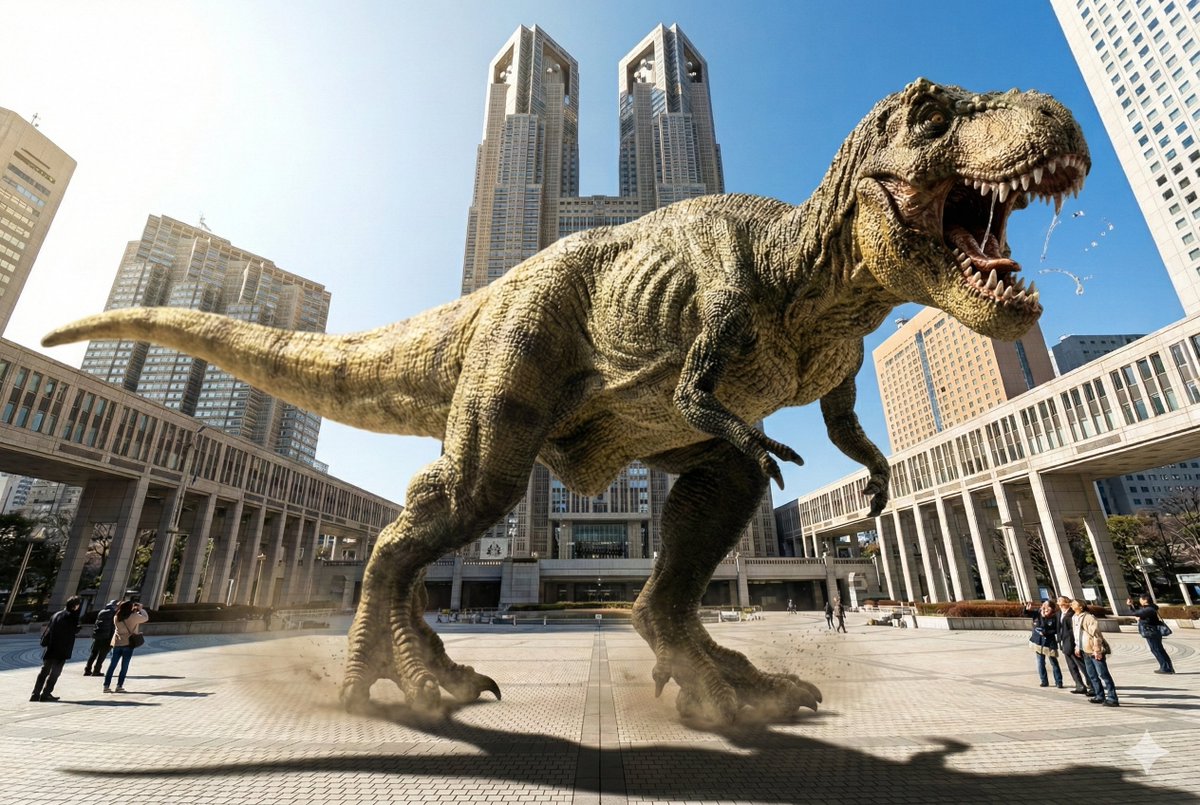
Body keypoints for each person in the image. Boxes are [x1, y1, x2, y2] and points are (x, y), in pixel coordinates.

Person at [30, 595, 82, 702]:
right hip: (61, 649)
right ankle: (46, 693)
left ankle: (35, 693)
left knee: (44, 671)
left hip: (50, 647)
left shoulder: (56, 615)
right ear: (75, 606)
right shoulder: (71, 616)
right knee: (55, 672)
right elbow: (71, 631)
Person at [1070, 597, 1118, 707]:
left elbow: (1096, 635)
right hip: (1084, 649)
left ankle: (1112, 698)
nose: (1071, 604)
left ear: (1081, 606)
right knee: (1092, 675)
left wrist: (1097, 650)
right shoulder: (1074, 617)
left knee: (1103, 674)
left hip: (1093, 650)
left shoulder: (1088, 617)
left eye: (1074, 603)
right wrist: (1077, 647)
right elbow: (1076, 634)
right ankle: (1099, 695)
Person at [103, 599, 149, 693]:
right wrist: (140, 609)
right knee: (124, 666)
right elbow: (145, 618)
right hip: (128, 643)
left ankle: (106, 686)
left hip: (117, 643)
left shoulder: (116, 616)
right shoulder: (133, 616)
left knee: (112, 665)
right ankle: (119, 686)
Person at [1127, 594, 1175, 674]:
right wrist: (1132, 606)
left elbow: (1135, 613)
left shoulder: (1149, 609)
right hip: (1152, 631)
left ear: (1145, 600)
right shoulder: (1150, 608)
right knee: (1159, 649)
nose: (1140, 601)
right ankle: (1167, 667)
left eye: (1141, 599)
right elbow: (1139, 613)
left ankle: (1166, 668)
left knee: (1157, 650)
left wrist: (1130, 606)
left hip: (1152, 632)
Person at [1056, 596, 1093, 696]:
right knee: (1071, 666)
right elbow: (1058, 628)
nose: (1057, 601)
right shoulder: (1059, 613)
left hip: (1073, 643)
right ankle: (1079, 685)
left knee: (1081, 665)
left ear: (1065, 602)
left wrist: (1076, 644)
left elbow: (1074, 631)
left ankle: (1092, 684)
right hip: (1064, 643)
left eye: (1059, 600)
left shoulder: (1072, 614)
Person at [1029, 600, 1063, 688]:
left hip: (1049, 643)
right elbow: (1028, 613)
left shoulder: (1054, 616)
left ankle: (1058, 681)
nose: (1045, 608)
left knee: (1054, 662)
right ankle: (1044, 681)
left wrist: (1046, 632)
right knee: (1040, 662)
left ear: (1052, 608)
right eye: (1044, 606)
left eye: (1047, 606)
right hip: (1038, 642)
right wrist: (1026, 609)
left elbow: (1056, 629)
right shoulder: (1038, 613)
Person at [83, 599, 117, 676]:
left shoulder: (101, 612)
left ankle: (87, 670)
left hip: (98, 636)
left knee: (93, 653)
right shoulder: (114, 613)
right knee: (102, 655)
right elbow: (113, 626)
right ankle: (96, 671)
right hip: (107, 637)